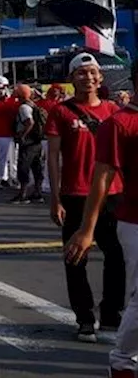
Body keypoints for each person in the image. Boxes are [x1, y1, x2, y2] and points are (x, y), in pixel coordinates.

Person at [64, 57, 138, 378]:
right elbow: (103, 176)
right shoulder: (118, 123)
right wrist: (86, 228)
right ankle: (122, 363)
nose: (89, 77)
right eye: (83, 72)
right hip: (133, 218)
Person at [49, 52, 125, 342]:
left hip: (113, 193)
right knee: (75, 258)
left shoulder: (113, 111)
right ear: (71, 79)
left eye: (93, 73)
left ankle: (110, 314)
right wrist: (54, 198)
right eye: (81, 73)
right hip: (75, 194)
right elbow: (53, 157)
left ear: (101, 78)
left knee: (116, 256)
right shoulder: (61, 112)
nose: (88, 78)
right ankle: (84, 318)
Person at [10, 84, 46, 204]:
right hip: (37, 141)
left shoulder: (23, 107)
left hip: (28, 142)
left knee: (23, 166)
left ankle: (23, 194)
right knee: (36, 167)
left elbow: (29, 122)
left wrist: (22, 136)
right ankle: (37, 192)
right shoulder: (33, 105)